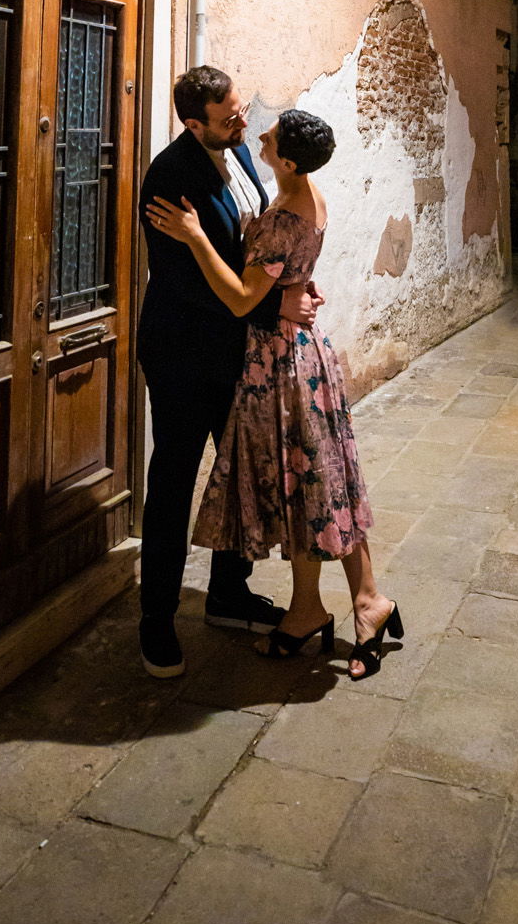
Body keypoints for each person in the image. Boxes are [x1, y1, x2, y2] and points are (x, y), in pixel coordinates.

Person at [148, 108, 401, 681]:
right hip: (301, 352)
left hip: (280, 363)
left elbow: (241, 298)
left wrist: (192, 236)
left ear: (287, 160)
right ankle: (311, 607)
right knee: (310, 482)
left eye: (272, 136)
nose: (257, 132)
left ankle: (367, 602)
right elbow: (284, 275)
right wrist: (290, 289)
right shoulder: (309, 197)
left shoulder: (280, 220)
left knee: (312, 481)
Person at [136, 66, 320, 680]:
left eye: (241, 110)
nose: (244, 122)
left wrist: (289, 285)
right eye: (229, 116)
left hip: (237, 348)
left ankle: (227, 595)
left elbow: (254, 247)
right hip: (184, 352)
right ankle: (156, 622)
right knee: (174, 481)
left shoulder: (239, 152)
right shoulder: (169, 177)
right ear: (195, 123)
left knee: (240, 473)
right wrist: (274, 302)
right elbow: (186, 283)